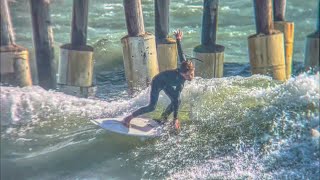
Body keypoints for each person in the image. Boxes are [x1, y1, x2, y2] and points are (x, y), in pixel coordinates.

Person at [122, 29, 195, 130]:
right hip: (158, 81)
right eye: (187, 76)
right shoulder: (180, 79)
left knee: (176, 101)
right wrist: (176, 118)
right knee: (152, 107)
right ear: (182, 73)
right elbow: (177, 97)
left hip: (167, 83)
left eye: (191, 74)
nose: (190, 77)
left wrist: (178, 39)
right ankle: (129, 117)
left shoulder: (185, 64)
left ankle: (163, 118)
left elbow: (180, 53)